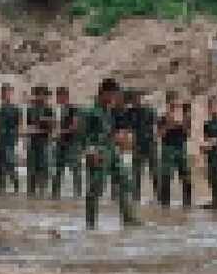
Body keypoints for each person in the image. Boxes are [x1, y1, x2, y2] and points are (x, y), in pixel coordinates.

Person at [83, 79, 139, 228]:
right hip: (98, 153)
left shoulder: (109, 111)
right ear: (105, 93)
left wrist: (120, 138)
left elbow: (111, 131)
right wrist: (90, 151)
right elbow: (83, 135)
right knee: (95, 189)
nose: (115, 98)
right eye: (113, 94)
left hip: (112, 151)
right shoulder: (90, 112)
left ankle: (129, 219)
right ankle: (91, 224)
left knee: (125, 182)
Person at [157, 98, 194, 208]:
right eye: (172, 106)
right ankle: (165, 204)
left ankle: (187, 204)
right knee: (166, 177)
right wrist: (169, 124)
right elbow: (160, 134)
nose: (174, 108)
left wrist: (182, 123)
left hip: (181, 148)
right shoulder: (163, 118)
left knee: (186, 176)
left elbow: (189, 134)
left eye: (176, 106)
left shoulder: (186, 118)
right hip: (167, 149)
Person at [126, 89, 159, 201]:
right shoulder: (130, 112)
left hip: (150, 144)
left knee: (154, 171)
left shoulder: (150, 111)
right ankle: (136, 197)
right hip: (138, 145)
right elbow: (128, 128)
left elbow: (155, 127)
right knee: (136, 173)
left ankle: (159, 197)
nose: (136, 101)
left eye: (138, 98)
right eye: (134, 99)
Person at [52, 86, 83, 198]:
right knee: (57, 171)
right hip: (61, 144)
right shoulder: (58, 110)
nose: (57, 99)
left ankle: (78, 195)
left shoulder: (73, 109)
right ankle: (55, 195)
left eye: (59, 96)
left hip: (72, 144)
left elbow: (75, 126)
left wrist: (61, 132)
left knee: (75, 170)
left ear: (65, 96)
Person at [25, 86, 55, 196]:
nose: (41, 97)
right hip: (33, 142)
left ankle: (42, 194)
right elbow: (29, 126)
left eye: (43, 95)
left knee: (43, 170)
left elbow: (52, 127)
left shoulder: (49, 110)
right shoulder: (30, 110)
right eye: (39, 94)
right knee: (31, 171)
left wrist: (44, 124)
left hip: (44, 142)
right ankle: (31, 195)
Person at [0, 84, 22, 194]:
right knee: (0, 168)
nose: (5, 94)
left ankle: (16, 189)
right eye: (4, 92)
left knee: (10, 166)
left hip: (9, 141)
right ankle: (1, 192)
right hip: (0, 141)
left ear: (11, 93)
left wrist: (16, 139)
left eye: (7, 92)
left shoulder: (15, 110)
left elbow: (18, 126)